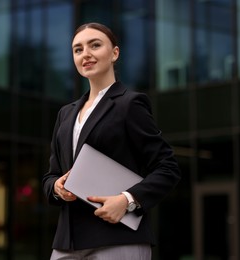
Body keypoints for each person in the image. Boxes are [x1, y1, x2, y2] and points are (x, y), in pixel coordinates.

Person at [42, 22, 181, 260]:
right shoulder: (65, 114)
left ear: (114, 53)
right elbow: (50, 176)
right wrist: (56, 187)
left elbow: (167, 168)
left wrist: (128, 200)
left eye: (95, 45)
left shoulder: (130, 104)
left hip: (118, 239)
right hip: (67, 242)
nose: (85, 53)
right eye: (78, 49)